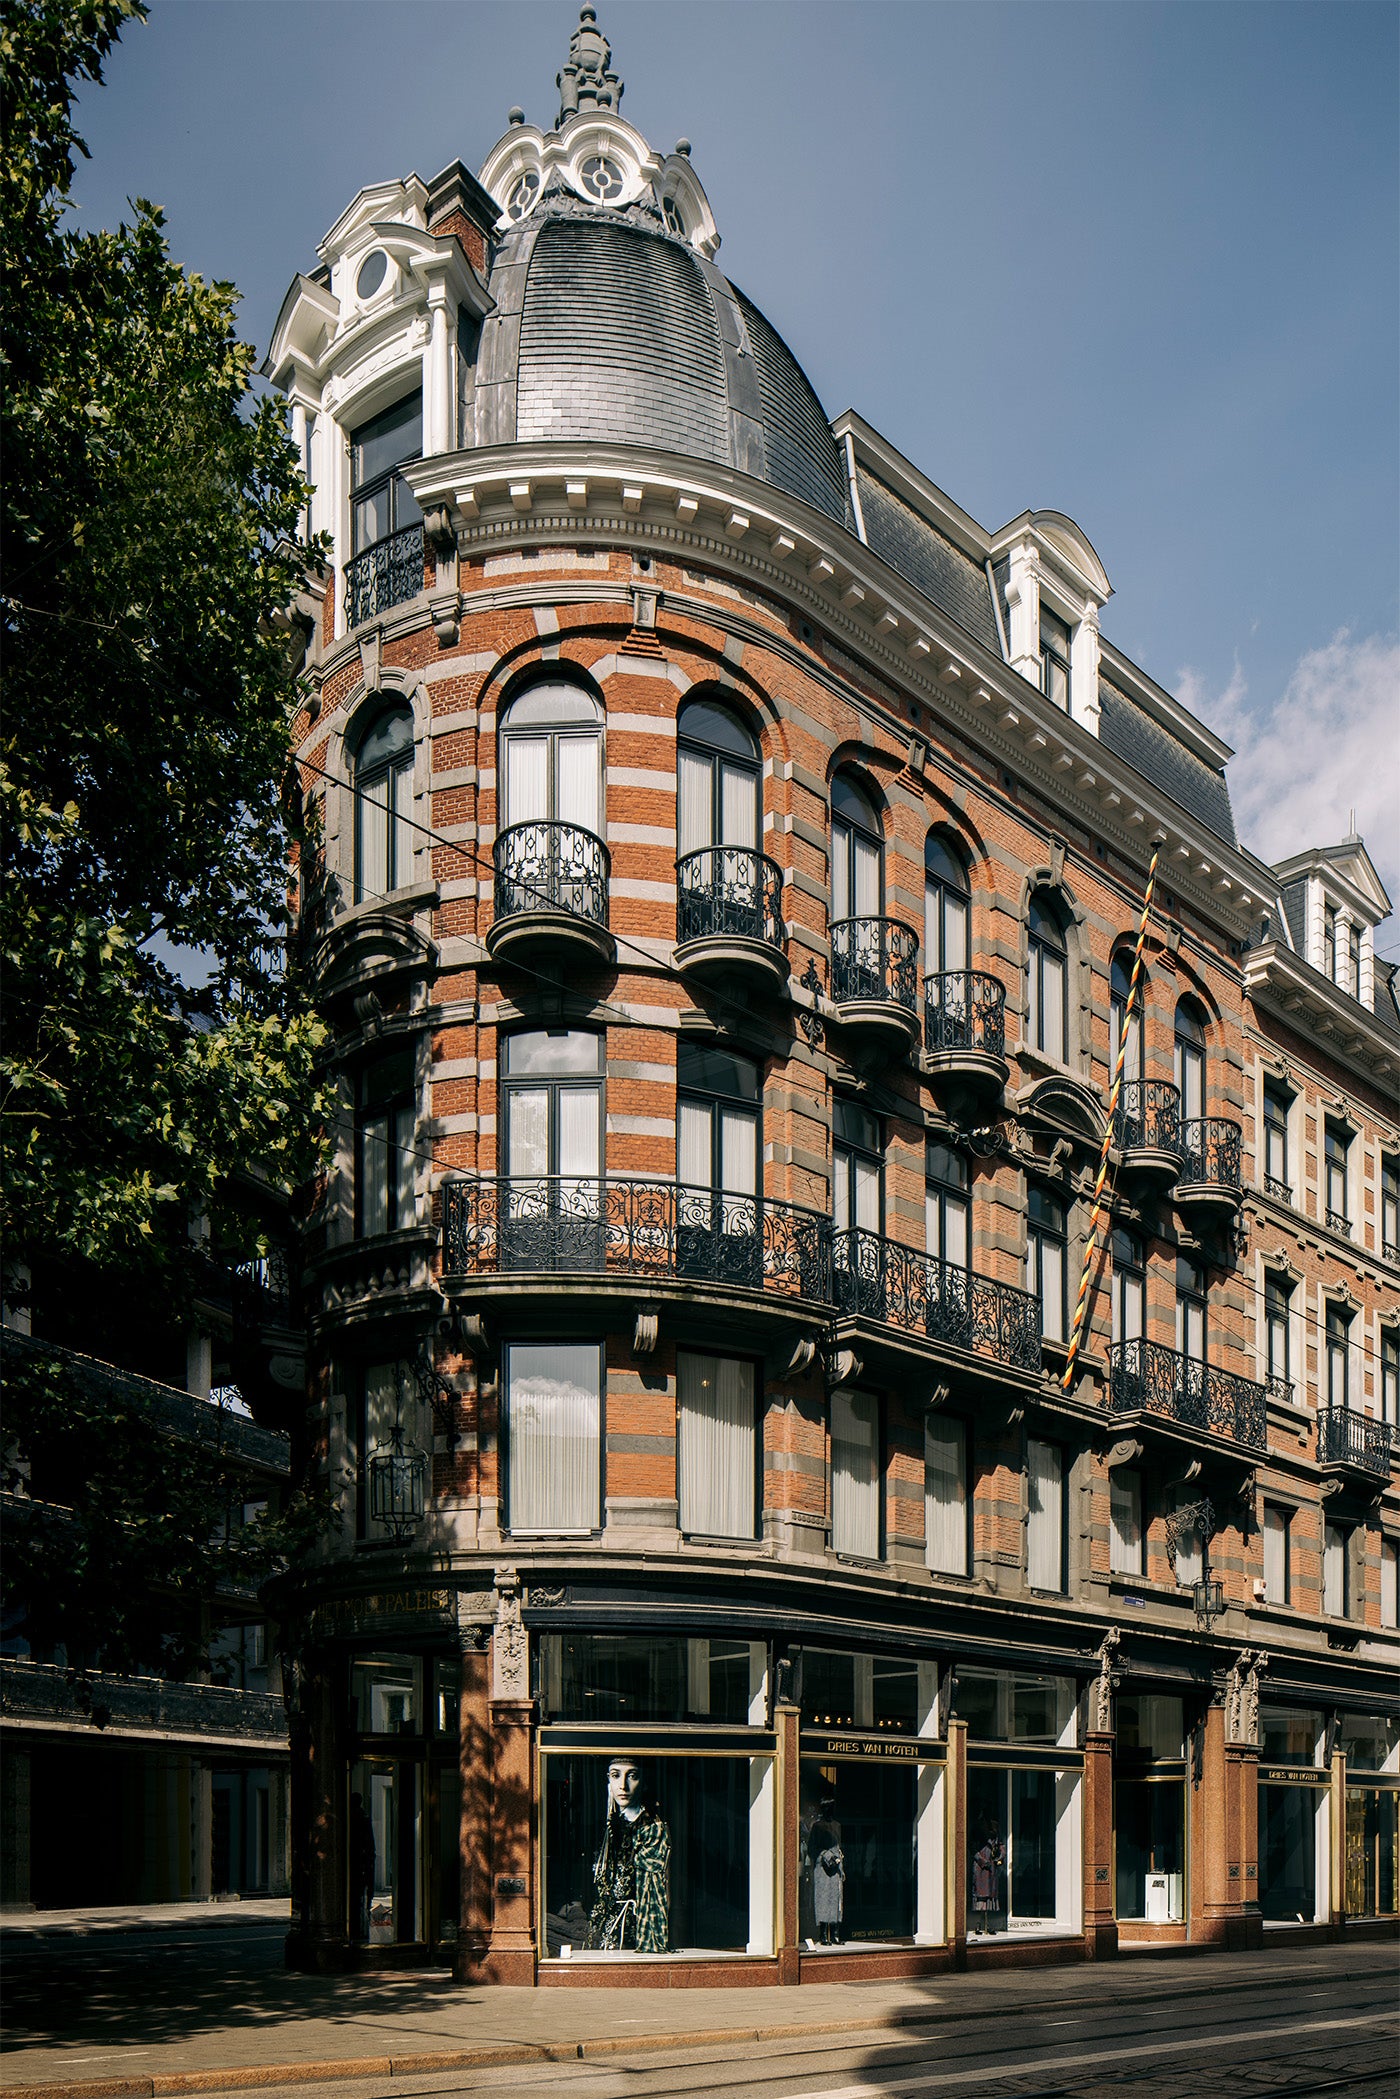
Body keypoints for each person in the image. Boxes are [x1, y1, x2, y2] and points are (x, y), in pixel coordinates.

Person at [588, 1756, 670, 1952]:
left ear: (642, 1782)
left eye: (631, 1776)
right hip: (601, 1924)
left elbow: (658, 1886)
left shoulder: (652, 1827)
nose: (623, 1785)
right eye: (616, 1776)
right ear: (608, 1780)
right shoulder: (605, 1824)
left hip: (632, 1926)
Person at [807, 1793, 845, 1945]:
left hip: (836, 1867)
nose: (830, 1811)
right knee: (823, 1899)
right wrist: (825, 1855)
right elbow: (812, 1848)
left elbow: (839, 1845)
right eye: (828, 1808)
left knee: (836, 1898)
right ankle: (823, 1934)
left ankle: (835, 1933)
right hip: (822, 1868)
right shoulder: (817, 1826)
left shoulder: (837, 1825)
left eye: (832, 1808)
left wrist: (839, 1863)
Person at [348, 1792, 377, 1942]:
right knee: (361, 1899)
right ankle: (358, 1929)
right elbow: (370, 1846)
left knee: (354, 1899)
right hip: (362, 1864)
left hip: (355, 1864)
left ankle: (354, 1930)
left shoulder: (349, 1819)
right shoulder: (363, 1818)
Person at [971, 1818, 1006, 1933]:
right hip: (981, 1869)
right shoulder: (977, 1832)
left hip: (991, 1869)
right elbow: (973, 1849)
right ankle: (978, 1924)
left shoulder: (995, 1831)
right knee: (981, 1897)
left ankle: (987, 1924)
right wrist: (982, 1861)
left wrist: (999, 1858)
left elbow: (1001, 1846)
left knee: (990, 1896)